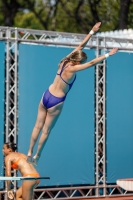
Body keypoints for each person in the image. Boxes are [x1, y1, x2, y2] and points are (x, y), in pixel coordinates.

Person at [27, 22, 118, 165]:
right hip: (56, 101)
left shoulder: (64, 61)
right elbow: (91, 63)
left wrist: (92, 32)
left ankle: (29, 152)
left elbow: (81, 46)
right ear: (78, 62)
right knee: (46, 131)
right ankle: (37, 156)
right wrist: (107, 54)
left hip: (46, 95)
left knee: (37, 126)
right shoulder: (72, 69)